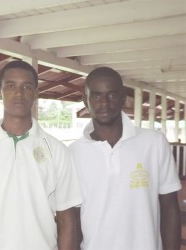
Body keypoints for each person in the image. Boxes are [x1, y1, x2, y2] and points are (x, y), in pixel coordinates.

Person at [0, 60, 83, 250]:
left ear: (36, 93)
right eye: (11, 86)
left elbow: (66, 218)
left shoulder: (57, 151)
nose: (19, 93)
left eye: (27, 87)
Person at [68, 66, 181, 250]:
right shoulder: (72, 154)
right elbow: (73, 218)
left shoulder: (154, 143)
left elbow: (169, 208)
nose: (104, 103)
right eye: (96, 96)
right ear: (85, 101)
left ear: (123, 98)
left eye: (112, 95)